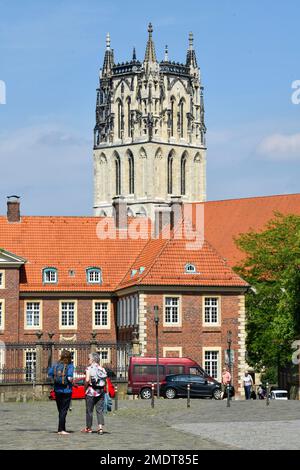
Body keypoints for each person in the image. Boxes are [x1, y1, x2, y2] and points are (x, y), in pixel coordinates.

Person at [48, 349, 74, 435]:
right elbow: (70, 378)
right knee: (64, 411)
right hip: (67, 390)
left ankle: (62, 428)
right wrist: (72, 381)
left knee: (60, 410)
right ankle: (61, 429)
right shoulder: (70, 365)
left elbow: (49, 374)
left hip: (57, 390)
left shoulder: (55, 365)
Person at [81, 353, 108, 434]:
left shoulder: (89, 368)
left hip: (91, 392)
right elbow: (105, 381)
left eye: (88, 358)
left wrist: (85, 388)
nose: (88, 360)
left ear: (92, 359)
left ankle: (89, 428)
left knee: (89, 410)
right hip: (100, 391)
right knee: (99, 410)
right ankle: (100, 428)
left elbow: (87, 380)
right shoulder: (102, 369)